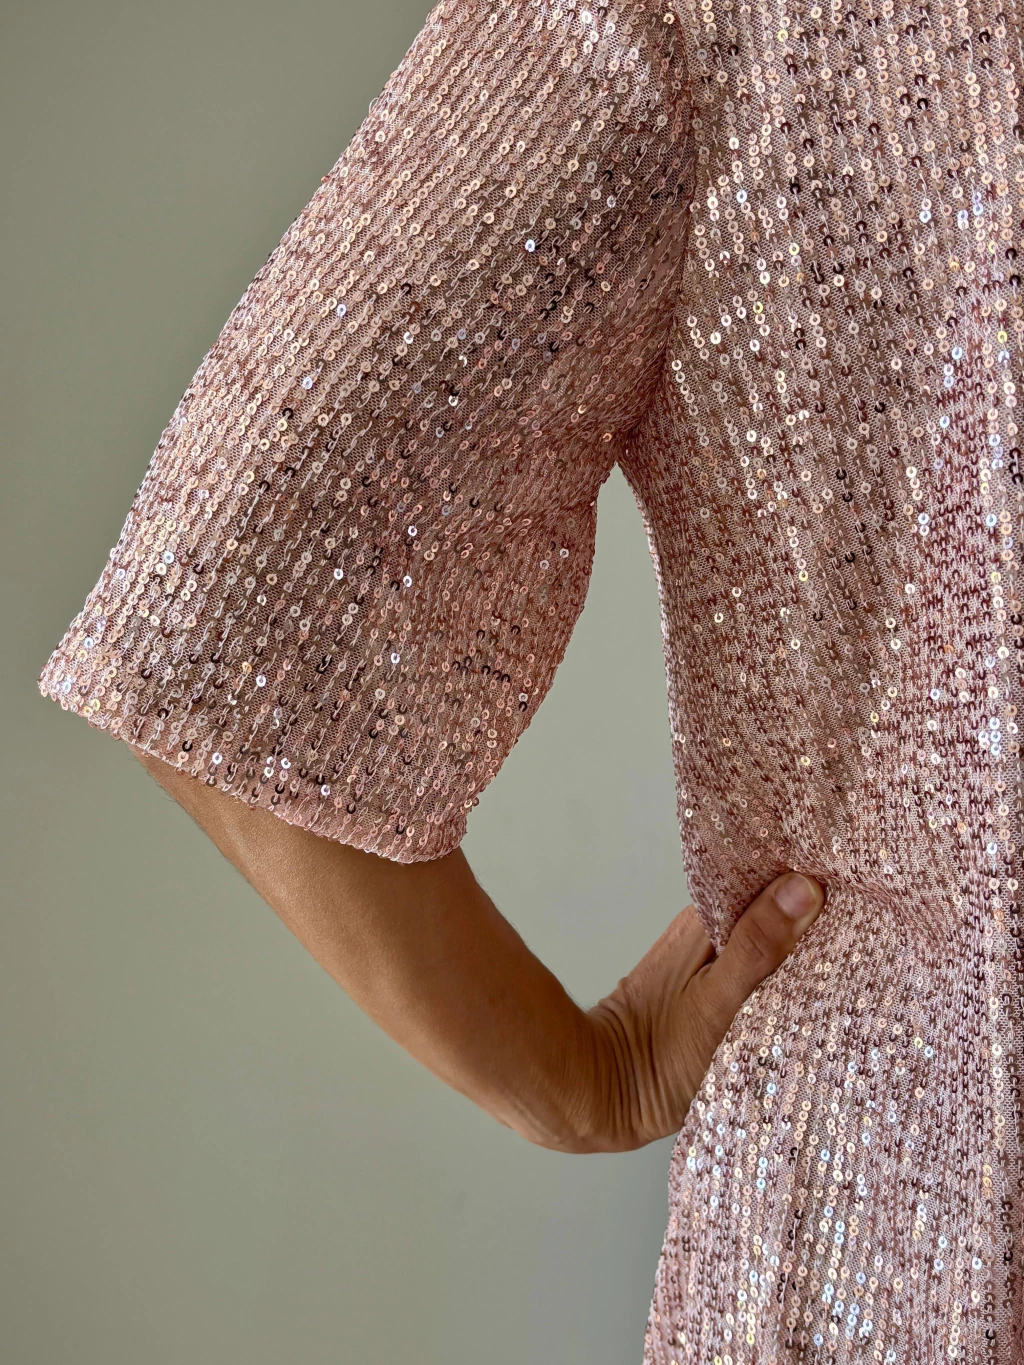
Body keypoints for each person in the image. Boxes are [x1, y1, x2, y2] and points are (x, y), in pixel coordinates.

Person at [37, 0, 1024, 1359]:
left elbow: (209, 607)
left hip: (902, 1219)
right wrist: (578, 1079)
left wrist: (586, 1083)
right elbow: (204, 619)